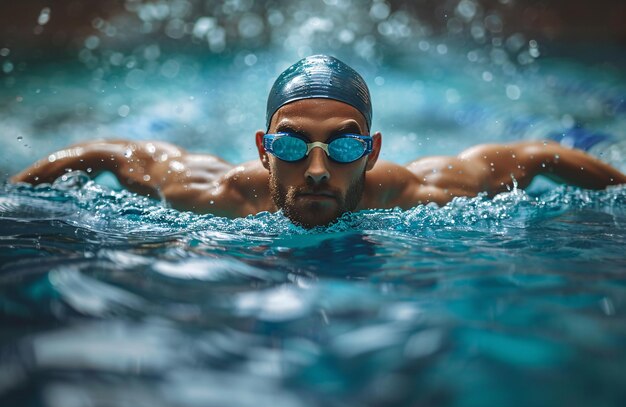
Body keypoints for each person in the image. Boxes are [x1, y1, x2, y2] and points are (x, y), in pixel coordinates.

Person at [11, 55, 626, 228]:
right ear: (261, 148)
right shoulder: (213, 193)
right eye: (290, 144)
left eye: (346, 146)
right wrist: (12, 196)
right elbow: (108, 154)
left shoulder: (422, 192)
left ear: (375, 152)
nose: (315, 168)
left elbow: (539, 154)